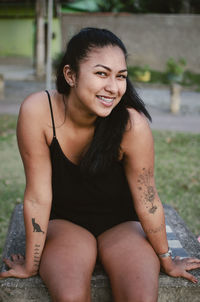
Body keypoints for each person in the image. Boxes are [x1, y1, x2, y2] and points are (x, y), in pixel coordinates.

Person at [0, 27, 199, 302]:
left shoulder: (131, 124)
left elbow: (147, 198)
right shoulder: (38, 111)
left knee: (140, 297)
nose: (113, 87)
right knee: (70, 296)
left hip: (121, 225)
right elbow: (37, 194)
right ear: (70, 75)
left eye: (121, 77)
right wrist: (30, 264)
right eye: (102, 73)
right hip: (65, 223)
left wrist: (167, 259)